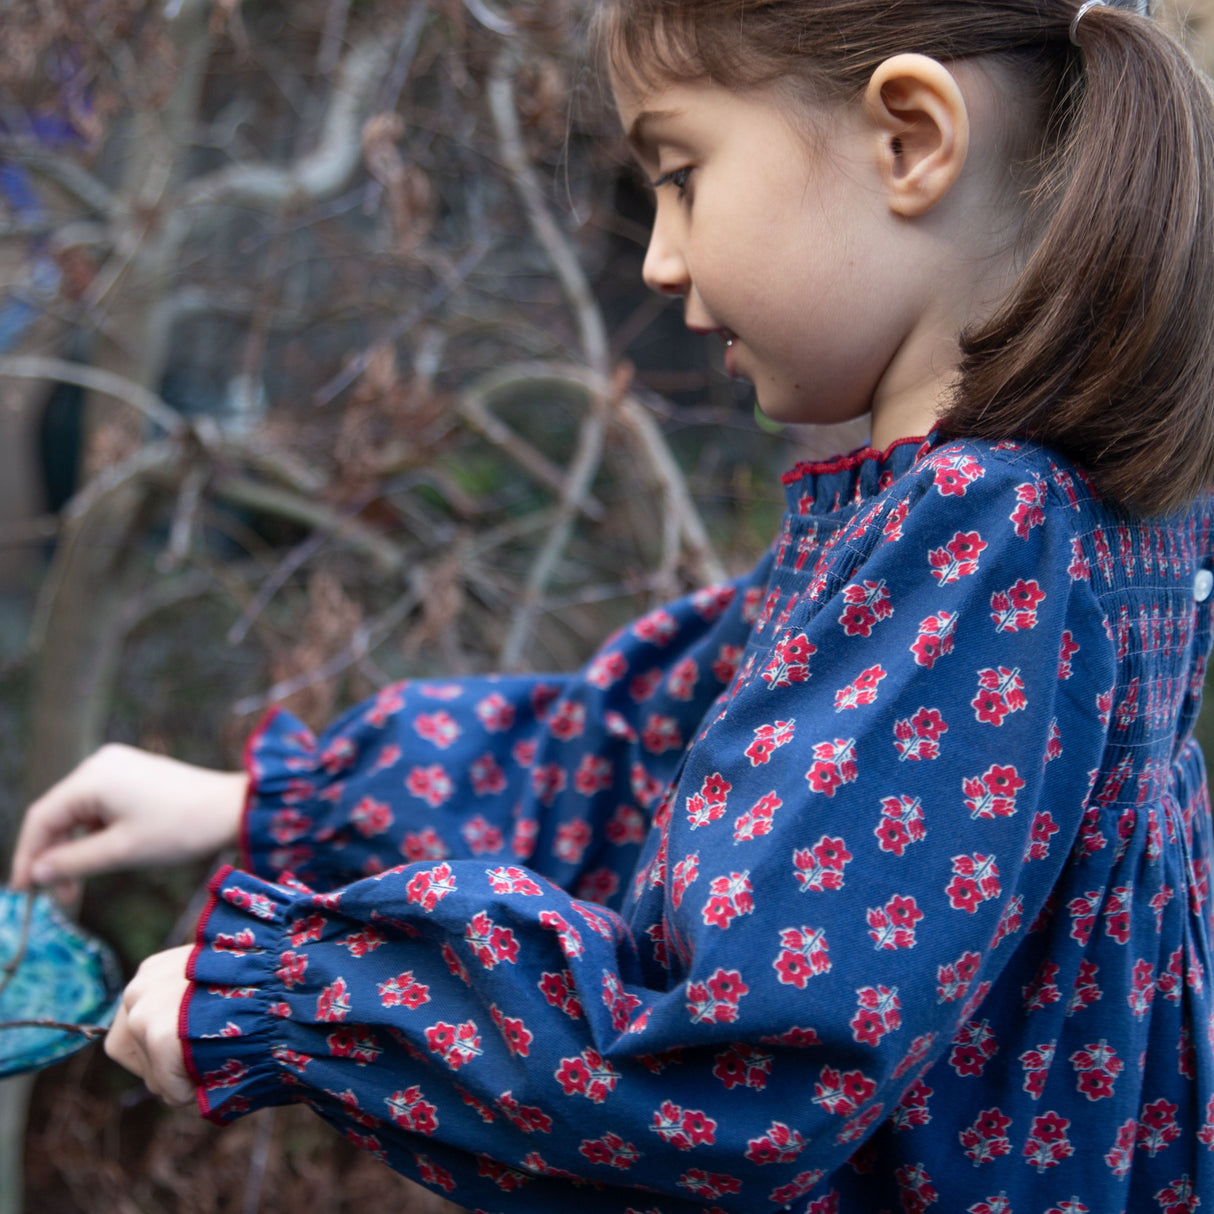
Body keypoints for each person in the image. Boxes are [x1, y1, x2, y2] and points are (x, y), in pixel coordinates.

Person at [12, 0, 1214, 1210]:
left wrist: (290, 993)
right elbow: (623, 756)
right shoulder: (977, 534)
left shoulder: (988, 539)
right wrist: (255, 802)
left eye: (682, 175)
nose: (659, 257)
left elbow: (737, 1057)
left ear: (906, 139)